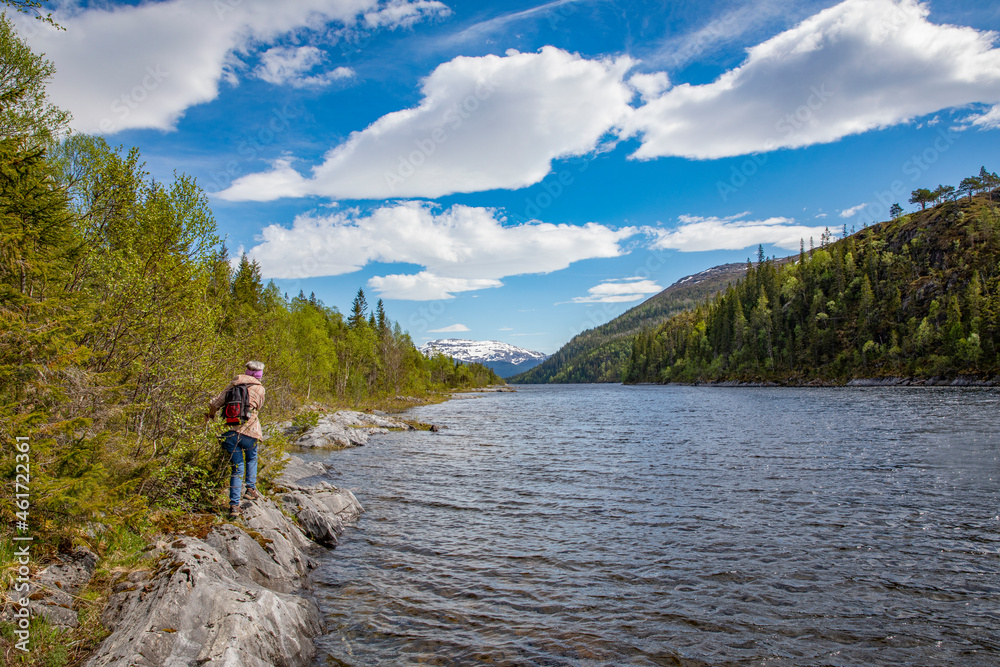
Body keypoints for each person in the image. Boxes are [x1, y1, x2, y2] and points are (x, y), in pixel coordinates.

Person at [207, 360, 266, 518]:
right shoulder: (260, 389)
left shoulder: (232, 386)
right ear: (259, 375)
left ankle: (234, 506)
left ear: (246, 371)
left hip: (230, 431)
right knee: (251, 458)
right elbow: (258, 407)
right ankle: (250, 489)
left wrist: (211, 415)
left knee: (237, 467)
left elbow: (215, 403)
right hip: (250, 430)